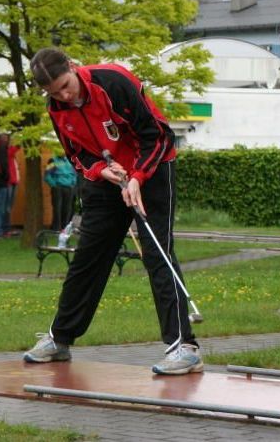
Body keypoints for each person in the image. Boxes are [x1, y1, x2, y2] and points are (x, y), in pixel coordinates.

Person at [24, 47, 201, 376]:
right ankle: (59, 339)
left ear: (73, 68)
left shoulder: (115, 81)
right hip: (108, 178)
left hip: (152, 170)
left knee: (156, 253)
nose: (65, 95)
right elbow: (77, 155)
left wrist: (138, 177)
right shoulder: (57, 107)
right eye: (54, 92)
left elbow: (160, 137)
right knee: (89, 256)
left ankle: (183, 347)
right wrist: (99, 172)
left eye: (66, 85)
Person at [44, 154, 77, 231]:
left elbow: (74, 174)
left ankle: (64, 228)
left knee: (67, 208)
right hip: (57, 188)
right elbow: (47, 175)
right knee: (57, 208)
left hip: (69, 188)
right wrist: (54, 185)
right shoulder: (52, 160)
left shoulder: (70, 160)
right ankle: (56, 228)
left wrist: (73, 183)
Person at [2, 137, 21, 237]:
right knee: (7, 207)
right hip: (9, 182)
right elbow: (14, 149)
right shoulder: (8, 152)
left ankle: (7, 228)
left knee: (9, 206)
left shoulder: (12, 156)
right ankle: (5, 228)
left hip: (14, 181)